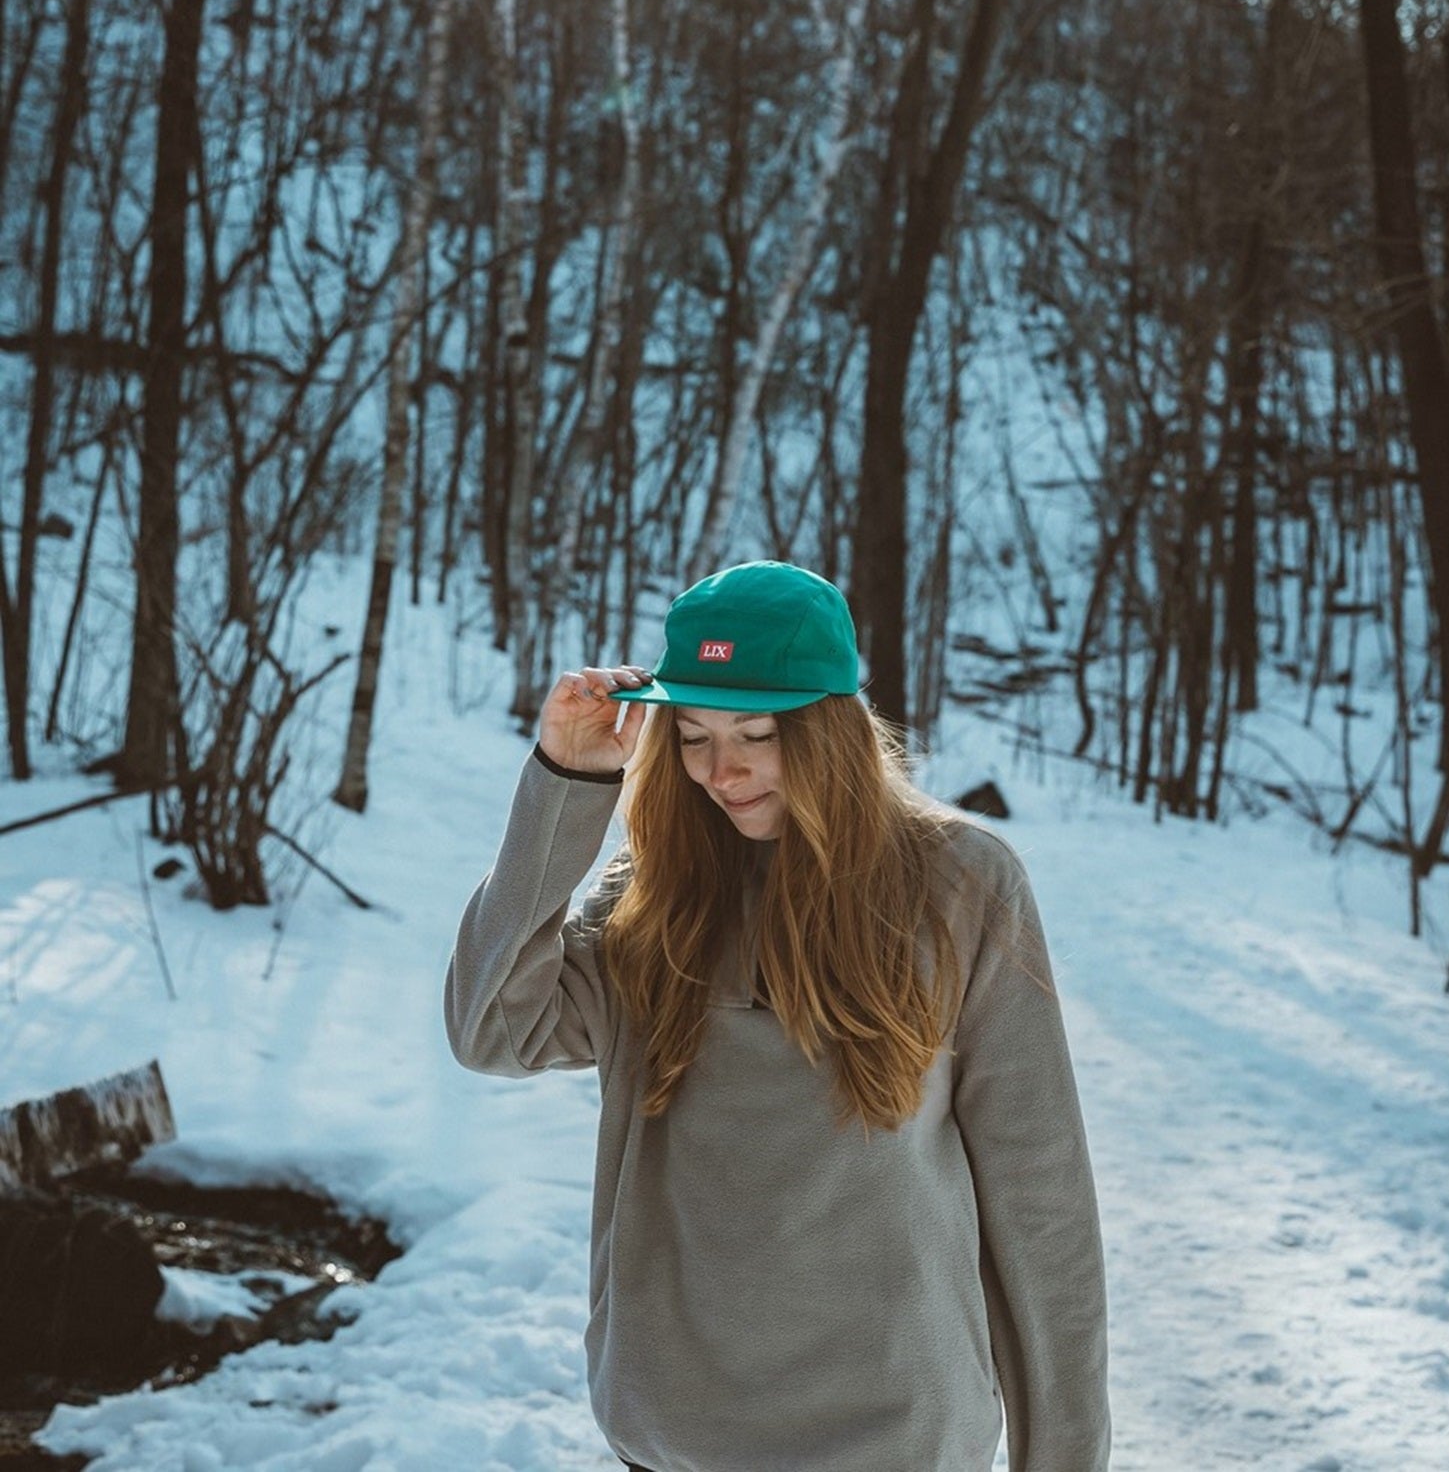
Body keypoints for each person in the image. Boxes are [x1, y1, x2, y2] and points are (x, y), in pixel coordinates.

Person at [444, 561, 1110, 1472]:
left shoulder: (960, 883)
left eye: (756, 733)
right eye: (691, 736)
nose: (722, 771)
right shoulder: (653, 893)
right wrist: (565, 781)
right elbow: (492, 1030)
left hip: (894, 1435)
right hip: (678, 1433)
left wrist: (1065, 1457)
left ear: (832, 730)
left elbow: (1042, 1195)